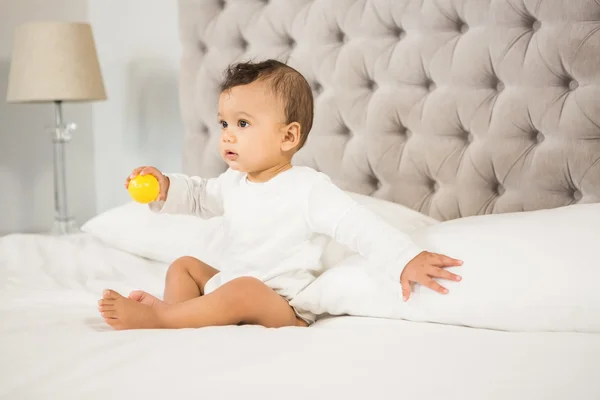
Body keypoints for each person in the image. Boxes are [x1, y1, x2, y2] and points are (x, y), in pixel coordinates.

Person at [98, 59, 462, 330]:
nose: (227, 134)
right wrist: (165, 186)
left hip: (281, 305)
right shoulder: (233, 181)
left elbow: (360, 226)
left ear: (288, 136)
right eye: (224, 122)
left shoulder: (308, 189)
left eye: (242, 124)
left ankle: (164, 318)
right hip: (233, 287)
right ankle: (180, 321)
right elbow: (197, 196)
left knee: (243, 289)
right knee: (184, 266)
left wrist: (405, 258)